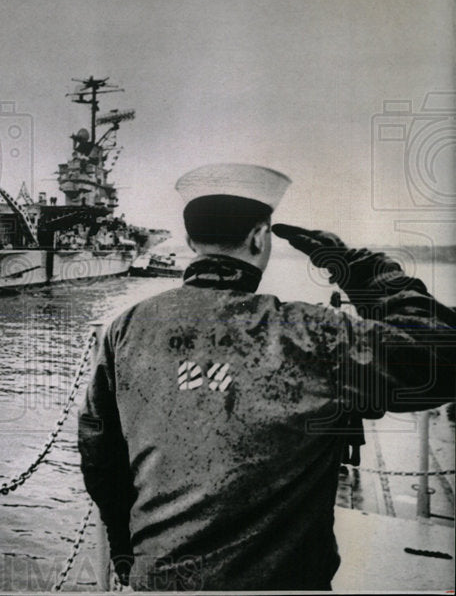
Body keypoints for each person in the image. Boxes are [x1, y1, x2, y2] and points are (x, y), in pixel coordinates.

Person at [79, 163, 455, 591]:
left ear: (189, 242)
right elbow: (442, 357)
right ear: (260, 237)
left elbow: (99, 457)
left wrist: (128, 554)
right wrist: (357, 267)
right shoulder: (311, 334)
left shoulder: (126, 329)